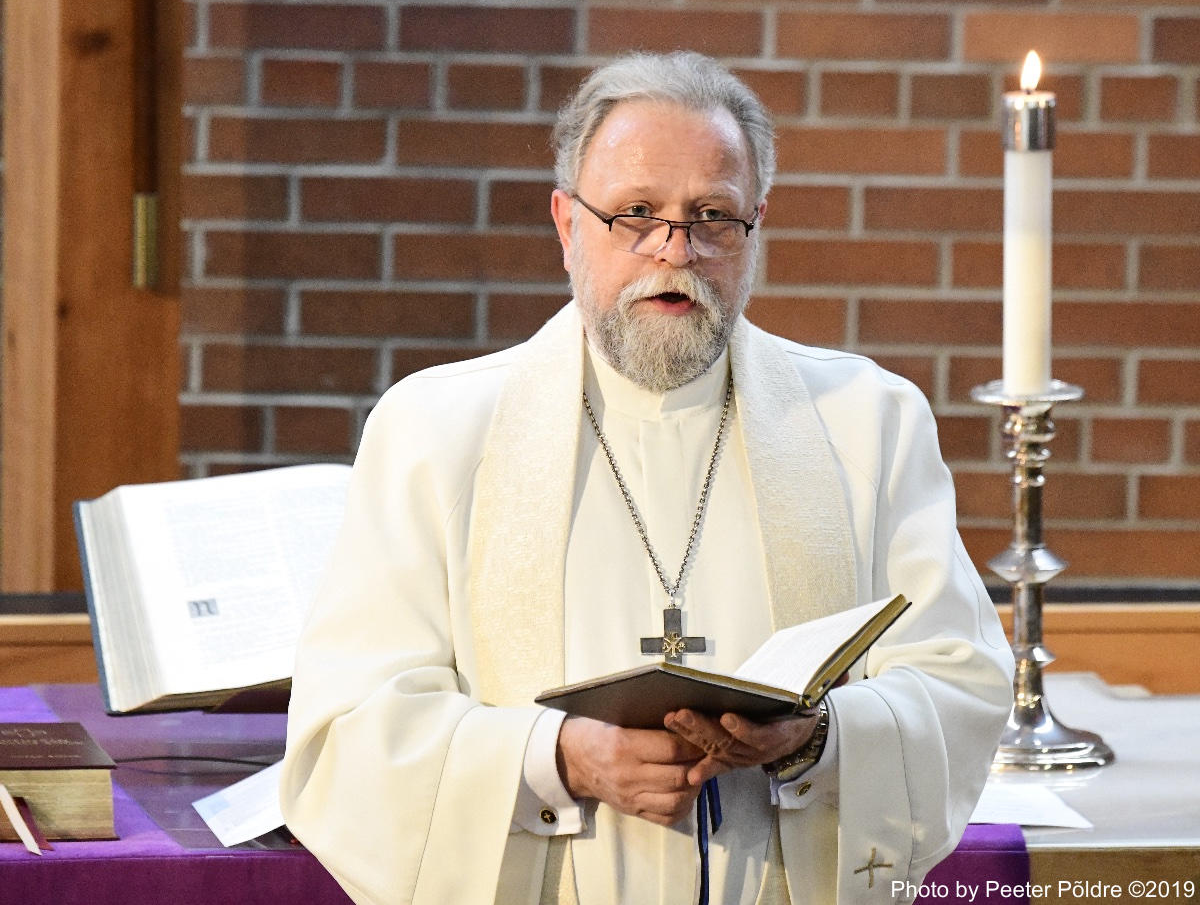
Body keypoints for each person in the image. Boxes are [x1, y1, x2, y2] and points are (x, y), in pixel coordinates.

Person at [279, 50, 1014, 905]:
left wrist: (816, 739)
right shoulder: (433, 432)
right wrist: (555, 757)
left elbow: (959, 682)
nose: (675, 251)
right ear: (565, 223)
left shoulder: (867, 421)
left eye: (711, 216)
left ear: (756, 226)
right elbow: (349, 728)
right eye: (636, 214)